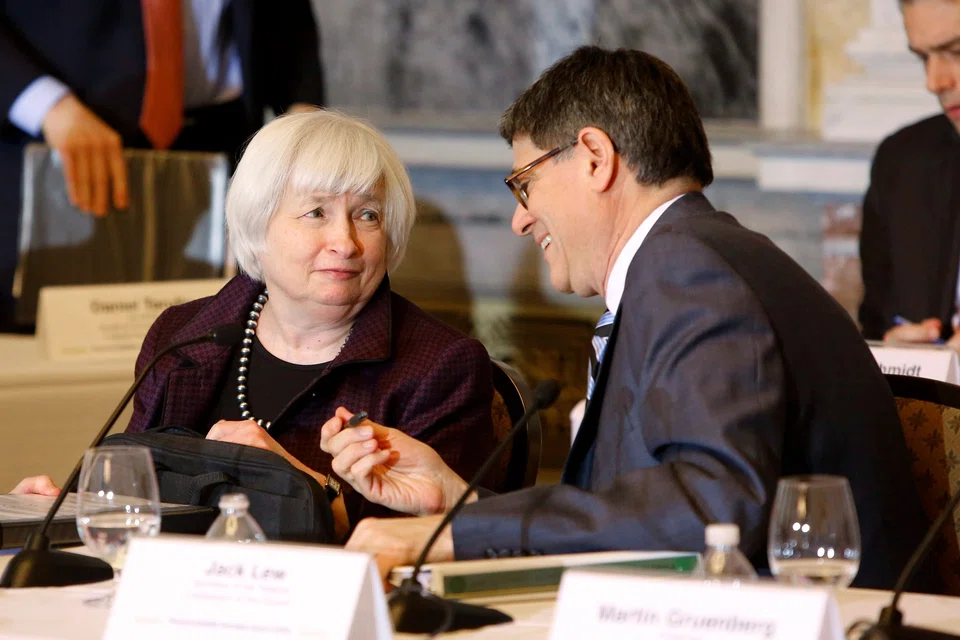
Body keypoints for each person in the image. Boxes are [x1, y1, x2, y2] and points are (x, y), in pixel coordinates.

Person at [323, 46, 935, 591]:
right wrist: (457, 501)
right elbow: (645, 519)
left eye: (525, 184)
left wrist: (458, 535)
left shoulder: (689, 273)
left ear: (595, 157)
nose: (520, 219)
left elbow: (713, 511)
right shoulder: (697, 258)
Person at [12, 109, 498, 542]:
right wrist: (66, 510)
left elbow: (437, 543)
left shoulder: (438, 365)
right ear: (257, 224)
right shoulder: (182, 335)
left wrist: (293, 478)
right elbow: (138, 490)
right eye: (317, 212)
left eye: (367, 215)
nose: (346, 242)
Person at [0, 0, 326, 330]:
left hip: (225, 147)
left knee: (208, 338)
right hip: (56, 142)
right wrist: (45, 104)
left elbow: (285, 21)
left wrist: (302, 114)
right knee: (52, 335)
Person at [859, 0, 960, 346]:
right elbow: (875, 325)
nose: (935, 82)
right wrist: (897, 359)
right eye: (923, 58)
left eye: (957, 51)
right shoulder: (902, 161)